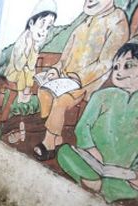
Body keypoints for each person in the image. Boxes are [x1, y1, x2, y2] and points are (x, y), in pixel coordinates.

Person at [56, 32, 138, 202]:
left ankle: (99, 186)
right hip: (92, 163)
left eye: (128, 65)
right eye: (116, 67)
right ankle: (101, 186)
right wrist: (92, 151)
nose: (119, 72)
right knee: (64, 152)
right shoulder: (102, 95)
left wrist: (136, 173)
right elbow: (82, 127)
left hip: (123, 172)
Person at [33, 0, 129, 161]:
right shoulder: (83, 24)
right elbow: (64, 58)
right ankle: (56, 136)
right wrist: (54, 71)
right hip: (64, 79)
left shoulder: (117, 20)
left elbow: (106, 62)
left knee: (61, 101)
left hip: (87, 84)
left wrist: (79, 78)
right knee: (44, 91)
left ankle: (49, 144)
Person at [0, 0, 57, 127]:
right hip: (13, 72)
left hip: (24, 73)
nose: (44, 30)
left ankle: (25, 91)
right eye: (42, 24)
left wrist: (33, 52)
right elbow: (18, 64)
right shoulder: (23, 41)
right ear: (32, 23)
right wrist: (27, 50)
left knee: (29, 72)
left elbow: (32, 65)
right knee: (24, 72)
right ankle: (23, 93)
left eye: (48, 27)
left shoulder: (35, 44)